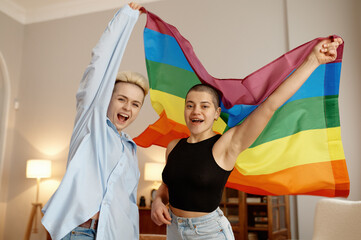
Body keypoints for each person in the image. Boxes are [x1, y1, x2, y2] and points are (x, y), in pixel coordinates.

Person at [151, 37, 343, 240]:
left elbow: (271, 105)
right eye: (190, 105)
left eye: (204, 106)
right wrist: (157, 201)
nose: (195, 111)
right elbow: (167, 186)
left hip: (208, 233)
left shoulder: (226, 145)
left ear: (216, 113)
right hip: (173, 230)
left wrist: (313, 60)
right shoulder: (173, 147)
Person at [41, 3, 147, 240]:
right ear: (107, 98)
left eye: (135, 104)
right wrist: (126, 18)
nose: (127, 107)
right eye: (122, 99)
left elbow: (129, 206)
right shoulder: (91, 124)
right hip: (79, 232)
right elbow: (100, 62)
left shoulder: (130, 150)